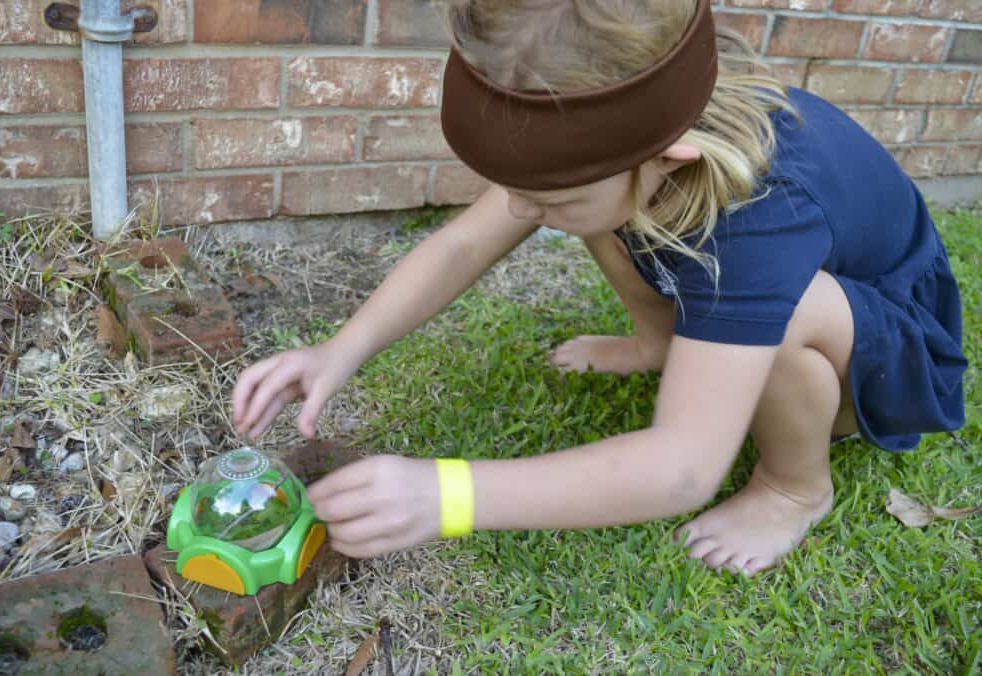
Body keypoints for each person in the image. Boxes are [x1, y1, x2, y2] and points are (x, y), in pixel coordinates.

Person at [231, 0, 967, 576]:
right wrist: (341, 348)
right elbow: (462, 243)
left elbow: (682, 467)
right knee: (605, 213)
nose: (519, 210)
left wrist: (450, 495)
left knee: (781, 305)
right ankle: (661, 345)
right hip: (722, 250)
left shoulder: (764, 218)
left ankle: (794, 487)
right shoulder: (632, 145)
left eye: (547, 195)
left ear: (669, 155)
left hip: (879, 357)